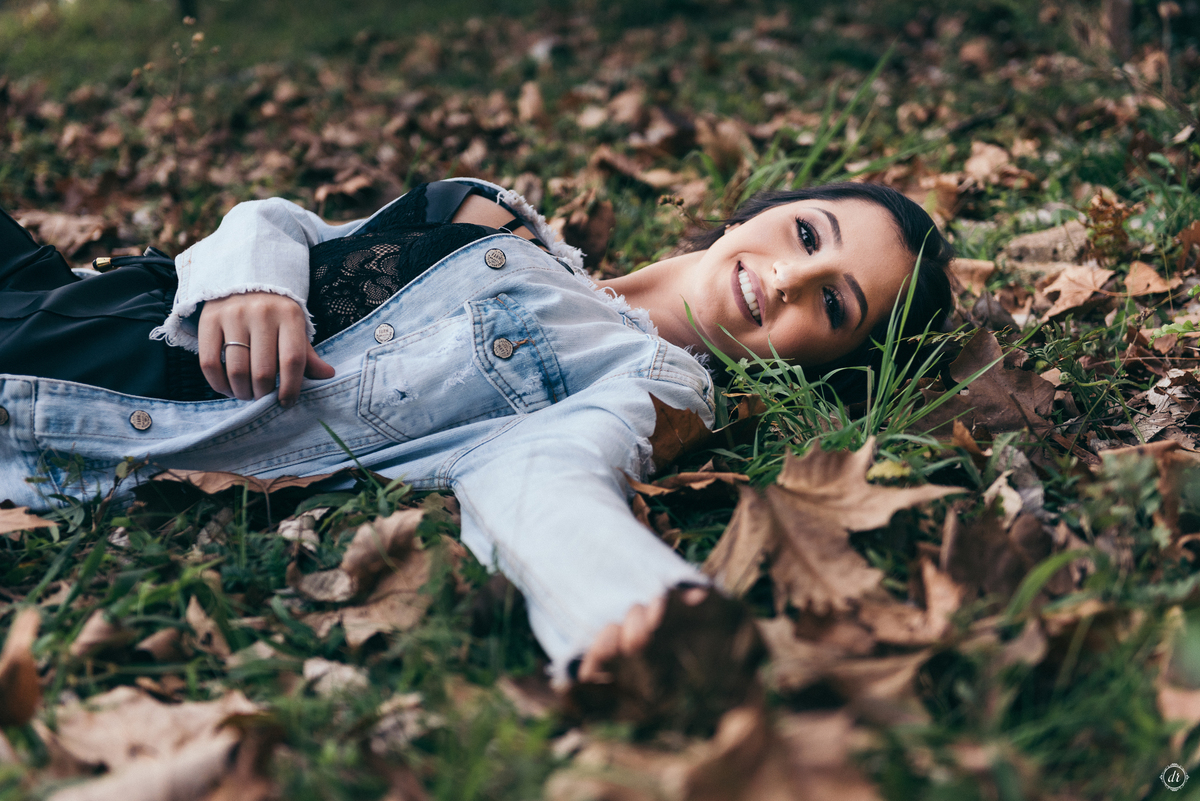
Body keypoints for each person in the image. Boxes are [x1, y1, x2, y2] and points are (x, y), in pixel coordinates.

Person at [0, 177, 953, 684]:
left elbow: (545, 479)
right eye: (808, 235)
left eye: (833, 305)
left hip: (61, 392)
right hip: (71, 291)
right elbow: (284, 222)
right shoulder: (490, 210)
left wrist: (640, 609)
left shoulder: (653, 382)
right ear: (770, 209)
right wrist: (251, 279)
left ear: (821, 365)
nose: (787, 279)